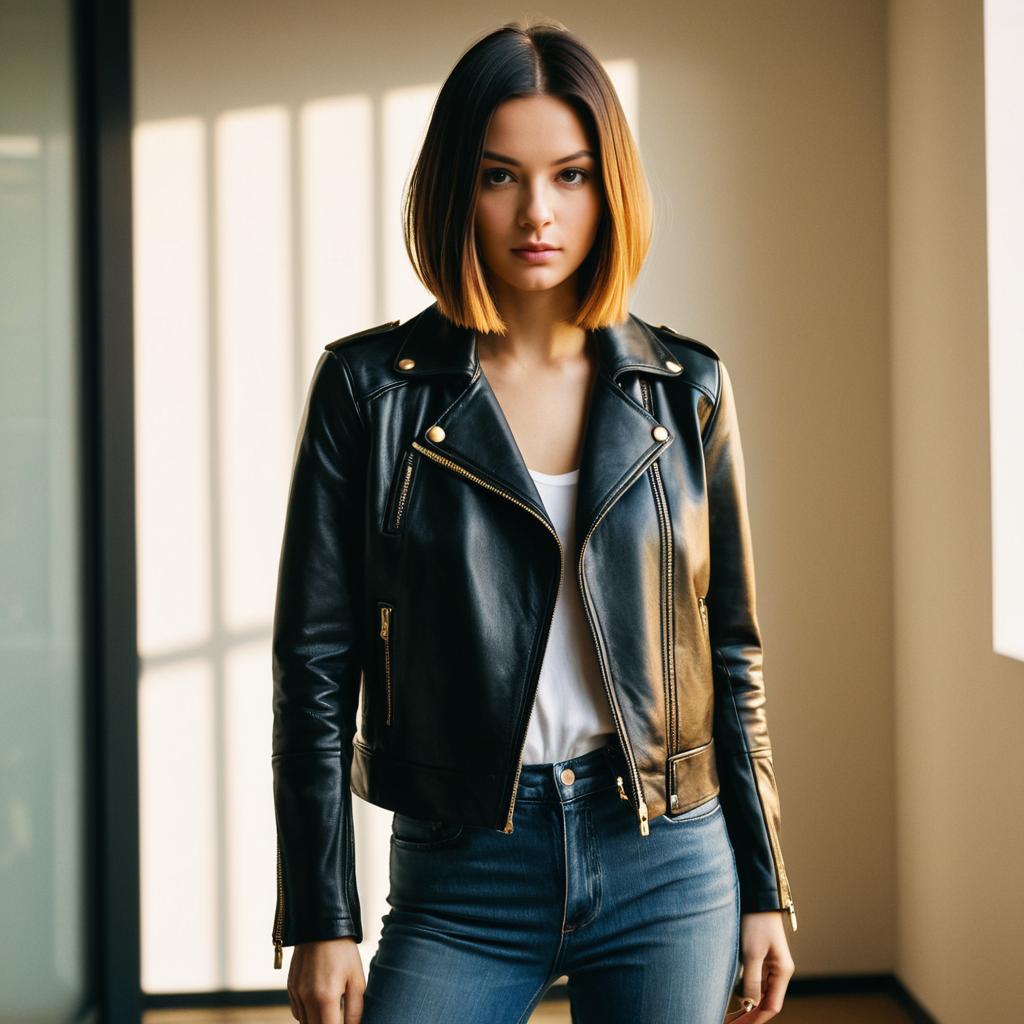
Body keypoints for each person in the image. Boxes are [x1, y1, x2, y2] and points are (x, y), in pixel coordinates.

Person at [271, 17, 796, 1024]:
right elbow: (315, 665)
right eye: (500, 175)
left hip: (668, 861)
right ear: (454, 189)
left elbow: (729, 650)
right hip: (463, 866)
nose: (536, 213)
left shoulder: (684, 388)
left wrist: (766, 884)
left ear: (610, 190)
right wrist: (319, 911)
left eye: (570, 175)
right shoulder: (370, 392)